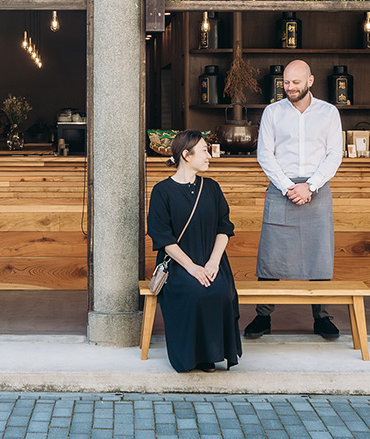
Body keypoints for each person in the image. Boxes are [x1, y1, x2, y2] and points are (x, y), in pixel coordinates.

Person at [244, 59, 343, 341]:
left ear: (310, 81)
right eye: (285, 83)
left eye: (295, 82)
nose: (289, 88)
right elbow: (265, 154)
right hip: (281, 188)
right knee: (270, 255)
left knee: (320, 253)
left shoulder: (328, 113)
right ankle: (263, 316)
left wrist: (310, 185)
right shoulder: (272, 112)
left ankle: (322, 318)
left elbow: (334, 155)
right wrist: (290, 187)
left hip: (317, 189)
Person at [146, 130, 242, 373]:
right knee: (193, 292)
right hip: (178, 264)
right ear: (186, 155)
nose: (209, 156)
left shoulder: (211, 188)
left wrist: (212, 263)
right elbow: (162, 236)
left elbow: (224, 227)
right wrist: (191, 267)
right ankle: (190, 357)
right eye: (204, 151)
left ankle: (212, 354)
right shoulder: (162, 191)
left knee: (219, 291)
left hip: (212, 260)